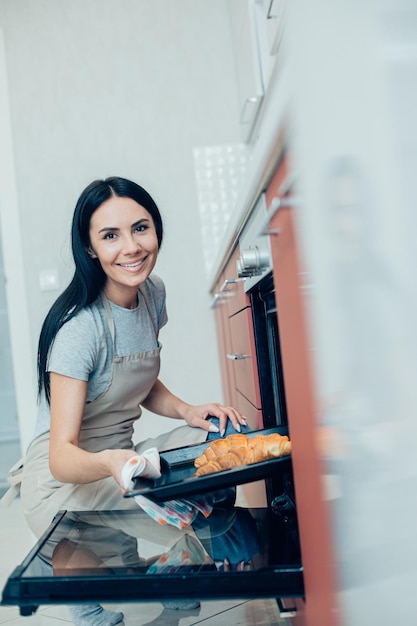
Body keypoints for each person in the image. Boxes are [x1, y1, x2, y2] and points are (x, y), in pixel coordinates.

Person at [19, 176, 247, 626]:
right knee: (106, 599)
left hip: (124, 462)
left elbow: (140, 378)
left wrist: (187, 411)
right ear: (89, 249)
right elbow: (62, 457)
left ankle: (180, 571)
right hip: (68, 480)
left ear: (156, 229)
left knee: (222, 440)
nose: (132, 247)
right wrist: (111, 464)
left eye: (140, 228)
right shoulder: (78, 330)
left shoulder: (152, 294)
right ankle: (75, 574)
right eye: (110, 236)